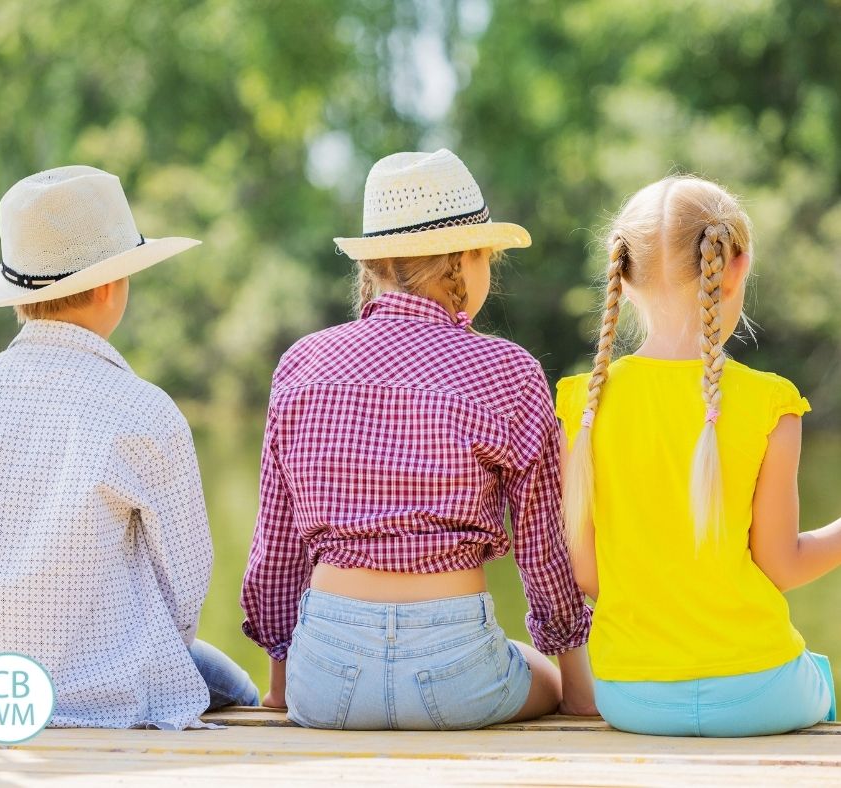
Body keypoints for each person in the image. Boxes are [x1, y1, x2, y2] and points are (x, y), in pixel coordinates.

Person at [240, 148, 595, 730]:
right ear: (471, 258)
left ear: (374, 265)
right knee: (545, 678)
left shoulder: (301, 364)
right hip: (456, 669)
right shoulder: (508, 371)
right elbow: (544, 548)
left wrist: (282, 688)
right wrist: (576, 687)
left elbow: (275, 547)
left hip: (325, 680)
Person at [0, 165, 258, 729]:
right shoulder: (146, 413)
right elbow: (183, 587)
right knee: (237, 688)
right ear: (113, 287)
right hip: (106, 697)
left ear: (18, 295)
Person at [557, 175, 839, 737]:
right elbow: (781, 566)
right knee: (820, 674)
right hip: (760, 691)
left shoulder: (583, 405)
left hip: (630, 695)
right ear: (735, 266)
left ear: (624, 278)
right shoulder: (770, 404)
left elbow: (585, 573)